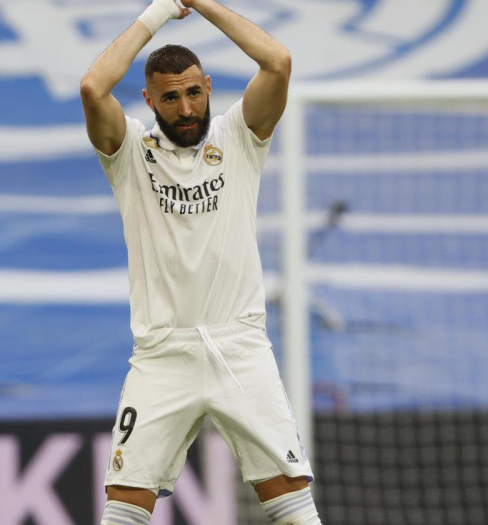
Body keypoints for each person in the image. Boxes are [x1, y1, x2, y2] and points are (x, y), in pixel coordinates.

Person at [80, 1, 322, 524]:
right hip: (162, 353)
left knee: (295, 506)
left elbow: (277, 62)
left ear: (208, 86)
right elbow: (92, 89)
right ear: (150, 100)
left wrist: (202, 3)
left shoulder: (238, 137)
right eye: (171, 98)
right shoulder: (129, 152)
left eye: (194, 92)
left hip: (239, 346)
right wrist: (159, 12)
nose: (187, 109)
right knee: (123, 508)